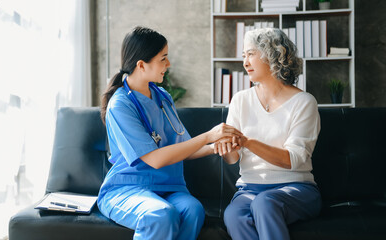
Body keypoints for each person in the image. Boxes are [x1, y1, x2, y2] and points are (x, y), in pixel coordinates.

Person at [98, 26, 241, 240]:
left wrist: (215, 147)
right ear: (141, 65)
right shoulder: (120, 105)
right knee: (159, 214)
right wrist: (208, 136)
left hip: (169, 188)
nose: (168, 64)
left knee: (193, 210)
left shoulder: (163, 96)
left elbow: (184, 147)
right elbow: (154, 159)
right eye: (163, 58)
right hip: (128, 188)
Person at [216, 28, 322, 240]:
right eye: (243, 55)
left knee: (265, 203)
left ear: (274, 55)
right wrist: (226, 148)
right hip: (249, 189)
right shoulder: (240, 100)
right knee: (234, 214)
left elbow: (293, 159)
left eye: (251, 54)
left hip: (296, 188)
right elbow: (232, 159)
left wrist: (248, 142)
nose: (245, 62)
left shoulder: (304, 102)